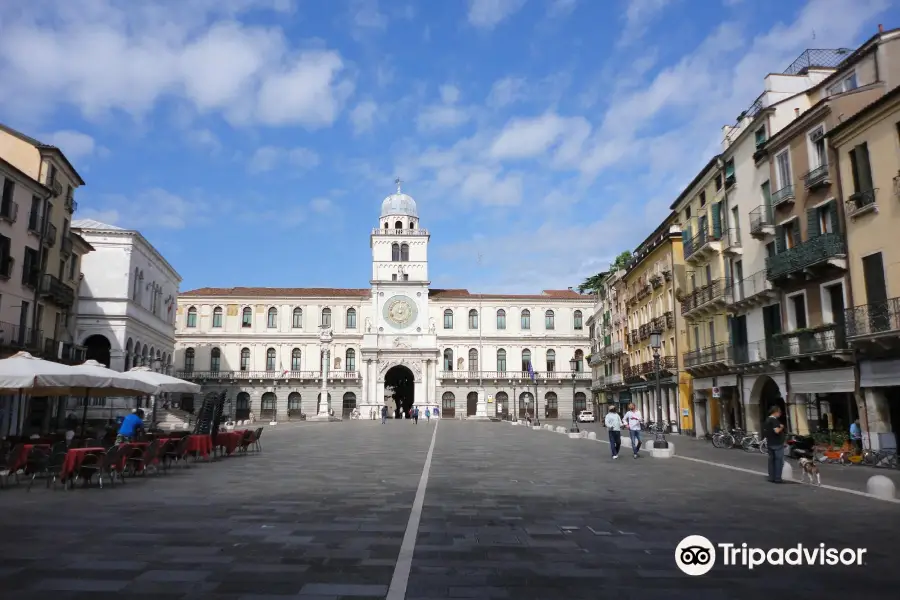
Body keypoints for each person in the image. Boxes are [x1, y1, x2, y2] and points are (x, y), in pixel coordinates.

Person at [764, 405, 786, 483]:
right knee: (778, 461)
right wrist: (781, 427)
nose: (780, 414)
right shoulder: (774, 421)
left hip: (770, 442)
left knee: (771, 461)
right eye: (779, 412)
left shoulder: (767, 420)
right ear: (776, 412)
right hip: (777, 443)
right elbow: (776, 431)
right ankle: (777, 478)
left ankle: (771, 477)